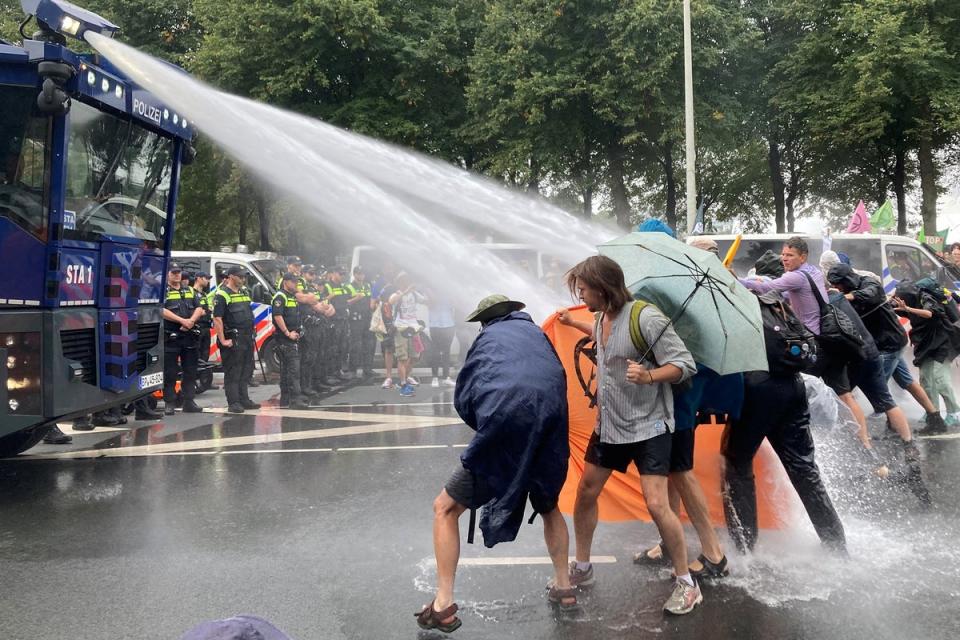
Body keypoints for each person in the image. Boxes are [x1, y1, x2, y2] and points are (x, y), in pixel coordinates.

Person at [416, 294, 575, 632]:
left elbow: (466, 395)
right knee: (548, 506)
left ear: (486, 320)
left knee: (444, 508)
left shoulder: (487, 340)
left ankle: (443, 601)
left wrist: (487, 426)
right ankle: (564, 585)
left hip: (507, 424)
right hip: (550, 425)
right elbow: (555, 379)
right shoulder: (537, 335)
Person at [557, 255, 701, 615]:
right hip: (610, 426)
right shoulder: (601, 317)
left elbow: (685, 364)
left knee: (656, 504)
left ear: (603, 288)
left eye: (584, 289)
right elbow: (603, 339)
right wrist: (571, 320)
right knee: (586, 491)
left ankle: (686, 583)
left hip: (650, 426)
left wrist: (650, 375)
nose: (581, 294)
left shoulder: (647, 318)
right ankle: (584, 567)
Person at [723, 290, 847, 554]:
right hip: (793, 384)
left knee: (737, 464)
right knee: (804, 469)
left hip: (758, 389)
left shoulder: (731, 303)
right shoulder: (770, 300)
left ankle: (745, 549)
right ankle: (836, 546)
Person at [828, 264, 948, 435]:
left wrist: (845, 297)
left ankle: (894, 426)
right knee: (908, 382)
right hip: (886, 343)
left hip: (889, 344)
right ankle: (935, 418)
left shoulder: (868, 283)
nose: (835, 288)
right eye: (832, 285)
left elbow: (870, 293)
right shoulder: (845, 293)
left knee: (879, 388)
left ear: (846, 280)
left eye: (837, 284)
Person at [893, 280, 960, 425]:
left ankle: (954, 412)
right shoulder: (904, 300)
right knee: (926, 380)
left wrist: (908, 308)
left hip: (943, 341)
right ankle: (933, 411)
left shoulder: (925, 297)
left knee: (940, 379)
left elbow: (929, 313)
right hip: (925, 342)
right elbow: (887, 305)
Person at [213, 266, 260, 414]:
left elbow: (248, 313)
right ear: (231, 276)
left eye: (244, 277)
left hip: (246, 337)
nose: (243, 279)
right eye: (240, 277)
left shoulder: (244, 292)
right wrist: (223, 340)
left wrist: (253, 330)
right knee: (233, 371)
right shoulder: (222, 294)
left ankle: (244, 399)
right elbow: (217, 319)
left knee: (246, 370)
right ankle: (233, 402)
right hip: (233, 338)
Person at [162, 262, 203, 415]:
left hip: (190, 336)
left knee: (191, 371)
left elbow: (199, 308)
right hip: (172, 337)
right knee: (170, 372)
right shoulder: (163, 291)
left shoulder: (190, 290)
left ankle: (188, 401)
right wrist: (182, 321)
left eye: (178, 272)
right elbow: (161, 310)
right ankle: (170, 402)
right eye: (173, 272)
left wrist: (191, 321)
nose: (177, 275)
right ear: (167, 274)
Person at [272, 273, 309, 409]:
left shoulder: (291, 296)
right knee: (293, 370)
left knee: (288, 370)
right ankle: (295, 400)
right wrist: (287, 333)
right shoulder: (280, 296)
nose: (296, 284)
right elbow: (277, 316)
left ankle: (286, 399)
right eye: (293, 282)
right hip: (285, 339)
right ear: (285, 282)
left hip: (293, 338)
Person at [389, 272, 426, 397]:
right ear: (399, 283)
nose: (406, 283)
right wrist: (405, 291)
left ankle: (407, 377)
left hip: (414, 327)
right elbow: (391, 301)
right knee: (402, 358)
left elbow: (427, 301)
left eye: (407, 280)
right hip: (401, 328)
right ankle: (403, 384)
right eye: (403, 281)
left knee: (415, 356)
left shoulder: (415, 294)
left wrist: (428, 287)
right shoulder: (397, 294)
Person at [347, 266, 375, 378]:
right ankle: (352, 370)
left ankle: (367, 369)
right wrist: (356, 298)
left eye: (362, 273)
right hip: (356, 319)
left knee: (368, 345)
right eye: (358, 273)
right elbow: (346, 302)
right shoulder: (349, 287)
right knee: (355, 345)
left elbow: (371, 299)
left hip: (367, 318)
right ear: (354, 274)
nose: (361, 275)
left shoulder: (367, 285)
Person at [428, 294, 456, 387]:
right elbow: (429, 304)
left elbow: (454, 306)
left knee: (446, 352)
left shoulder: (448, 291)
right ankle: (435, 377)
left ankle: (446, 377)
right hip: (435, 325)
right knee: (435, 352)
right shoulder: (430, 291)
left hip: (449, 324)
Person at [192, 271, 214, 365]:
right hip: (197, 327)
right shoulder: (191, 293)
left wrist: (209, 310)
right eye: (206, 278)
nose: (208, 281)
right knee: (196, 354)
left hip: (206, 327)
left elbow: (206, 308)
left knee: (205, 354)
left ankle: (203, 376)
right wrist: (201, 312)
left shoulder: (204, 294)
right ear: (199, 278)